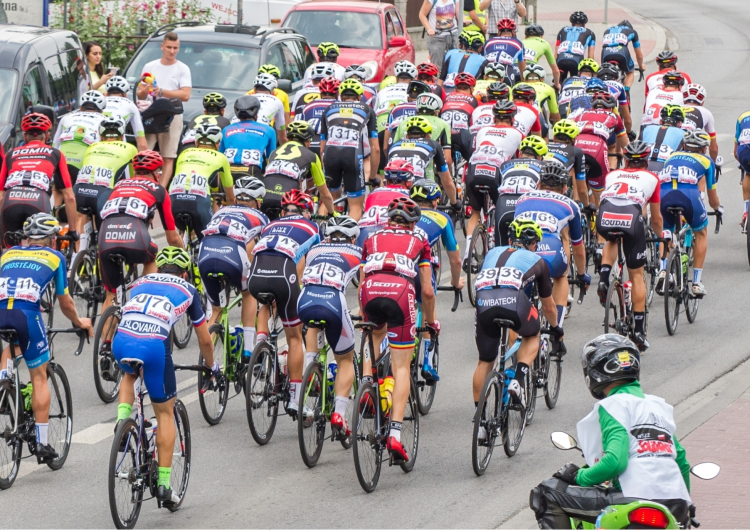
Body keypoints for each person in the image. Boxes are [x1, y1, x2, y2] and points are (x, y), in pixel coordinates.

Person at [531, 334, 693, 528]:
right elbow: (681, 461)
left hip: (633, 498)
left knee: (547, 493)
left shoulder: (613, 405)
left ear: (594, 371)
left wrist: (577, 476)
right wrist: (686, 508)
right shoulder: (657, 406)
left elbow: (615, 462)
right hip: (676, 505)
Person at [112, 246, 215, 507]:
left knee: (129, 375)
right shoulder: (188, 290)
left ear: (159, 269)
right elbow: (204, 339)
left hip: (122, 340)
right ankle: (164, 486)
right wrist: (212, 369)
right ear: (184, 273)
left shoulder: (141, 282)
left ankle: (122, 424)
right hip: (154, 345)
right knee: (165, 413)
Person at [0, 213, 93, 462]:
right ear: (51, 239)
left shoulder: (7, 254)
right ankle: (41, 443)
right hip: (27, 316)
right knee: (39, 376)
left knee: (10, 349)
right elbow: (65, 302)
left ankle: (4, 382)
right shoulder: (55, 257)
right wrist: (79, 322)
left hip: (1, 312)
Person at [358, 197, 436, 462]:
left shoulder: (371, 238)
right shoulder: (420, 241)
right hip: (400, 293)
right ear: (412, 225)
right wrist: (431, 322)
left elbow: (362, 279)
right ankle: (395, 434)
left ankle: (367, 385)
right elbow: (426, 290)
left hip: (370, 291)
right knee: (402, 366)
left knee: (373, 334)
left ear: (388, 220)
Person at [472, 219, 559, 410]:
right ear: (534, 243)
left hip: (483, 300)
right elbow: (549, 307)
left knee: (485, 361)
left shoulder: (491, 252)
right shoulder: (539, 261)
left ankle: (481, 424)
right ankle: (518, 381)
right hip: (512, 300)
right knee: (532, 335)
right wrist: (556, 328)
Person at [248, 189, 321, 416]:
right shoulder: (313, 228)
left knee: (266, 304)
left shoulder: (271, 224)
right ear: (307, 212)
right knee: (294, 338)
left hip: (257, 274)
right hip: (284, 274)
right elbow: (311, 268)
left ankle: (260, 348)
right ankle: (295, 398)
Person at [298, 216, 362, 436]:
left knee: (314, 323)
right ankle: (339, 414)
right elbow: (362, 289)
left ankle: (312, 371)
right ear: (352, 239)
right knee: (345, 359)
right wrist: (363, 315)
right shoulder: (357, 253)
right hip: (334, 301)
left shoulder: (315, 250)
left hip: (305, 299)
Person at [596, 141, 663, 351]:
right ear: (646, 162)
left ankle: (604, 279)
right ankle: (639, 331)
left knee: (611, 239)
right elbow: (656, 218)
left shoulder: (612, 175)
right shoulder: (652, 178)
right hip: (631, 217)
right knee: (636, 275)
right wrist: (662, 239)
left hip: (605, 215)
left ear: (625, 161)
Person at [98, 150, 184, 314]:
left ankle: (105, 340)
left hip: (106, 237)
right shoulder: (159, 189)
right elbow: (172, 237)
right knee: (152, 256)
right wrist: (183, 251)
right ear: (156, 173)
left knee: (111, 295)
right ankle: (140, 298)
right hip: (135, 237)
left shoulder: (118, 185)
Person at [514, 161, 590, 337]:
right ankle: (555, 328)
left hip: (522, 250)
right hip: (550, 248)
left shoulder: (522, 199)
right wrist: (581, 274)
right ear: (564, 188)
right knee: (561, 275)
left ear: (538, 184)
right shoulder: (571, 205)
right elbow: (578, 249)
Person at [198, 177, 268, 356]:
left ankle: (208, 364)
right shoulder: (261, 216)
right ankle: (248, 349)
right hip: (233, 252)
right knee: (248, 292)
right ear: (258, 202)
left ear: (236, 198)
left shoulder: (221, 211)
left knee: (216, 310)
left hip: (205, 251)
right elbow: (266, 247)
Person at [656, 129, 722, 298]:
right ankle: (696, 283)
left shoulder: (672, 156)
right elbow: (712, 196)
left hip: (664, 194)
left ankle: (663, 270)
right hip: (689, 196)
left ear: (684, 145)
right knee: (701, 232)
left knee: (666, 233)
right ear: (704, 148)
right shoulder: (707, 161)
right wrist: (717, 209)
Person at [0, 113, 78, 248]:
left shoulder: (10, 154)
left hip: (10, 202)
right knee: (44, 253)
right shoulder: (55, 153)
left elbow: (1, 196)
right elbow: (69, 196)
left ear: (25, 136)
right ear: (47, 136)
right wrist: (72, 231)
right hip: (38, 201)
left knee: (9, 253)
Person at [463, 100, 524, 268]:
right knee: (500, 208)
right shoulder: (518, 134)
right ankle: (494, 243)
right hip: (495, 171)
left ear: (494, 118)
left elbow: (473, 153)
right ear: (512, 119)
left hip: (474, 170)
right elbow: (518, 162)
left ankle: (468, 253)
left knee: (475, 213)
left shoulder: (482, 131)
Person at [72, 117, 137, 262]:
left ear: (101, 136)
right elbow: (132, 178)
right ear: (122, 136)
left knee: (81, 216)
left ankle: (77, 259)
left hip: (79, 189)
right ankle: (103, 262)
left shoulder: (92, 146)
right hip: (102, 192)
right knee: (104, 230)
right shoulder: (131, 148)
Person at [137, 32, 192, 188]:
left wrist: (161, 92)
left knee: (168, 156)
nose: (172, 51)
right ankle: (143, 186)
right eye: (169, 47)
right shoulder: (150, 66)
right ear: (162, 47)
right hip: (150, 113)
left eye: (175, 48)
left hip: (171, 115)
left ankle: (161, 191)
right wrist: (145, 90)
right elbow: (141, 95)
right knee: (144, 154)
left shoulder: (182, 68)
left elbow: (185, 95)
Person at [320, 79, 379, 221]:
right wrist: (372, 177)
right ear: (359, 97)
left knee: (329, 198)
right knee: (356, 206)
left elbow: (322, 149)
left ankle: (321, 233)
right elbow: (375, 148)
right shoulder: (367, 109)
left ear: (340, 96)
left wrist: (324, 172)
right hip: (352, 156)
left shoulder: (329, 110)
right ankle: (348, 239)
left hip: (330, 155)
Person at [170, 123, 235, 238]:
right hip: (198, 201)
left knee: (182, 233)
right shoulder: (221, 158)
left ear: (196, 142)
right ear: (217, 144)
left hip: (174, 200)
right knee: (209, 237)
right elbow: (230, 197)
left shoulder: (184, 153)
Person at [263, 121, 335, 217]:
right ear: (307, 141)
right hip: (287, 202)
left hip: (265, 197)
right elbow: (324, 193)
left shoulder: (274, 152)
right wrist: (331, 213)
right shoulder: (312, 156)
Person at [387, 116, 457, 208]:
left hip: (391, 190)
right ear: (428, 136)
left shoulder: (395, 145)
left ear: (406, 136)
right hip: (417, 193)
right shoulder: (433, 144)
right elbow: (447, 181)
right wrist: (454, 203)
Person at [573, 92, 628, 205]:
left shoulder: (580, 115)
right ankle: (598, 217)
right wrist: (627, 159)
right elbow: (625, 144)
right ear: (612, 108)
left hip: (577, 147)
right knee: (600, 196)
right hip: (597, 150)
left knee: (577, 185)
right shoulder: (614, 116)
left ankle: (577, 203)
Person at [494, 136, 547, 246]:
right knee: (532, 245)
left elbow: (498, 187)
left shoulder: (505, 165)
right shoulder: (544, 166)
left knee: (499, 249)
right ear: (540, 157)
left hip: (504, 203)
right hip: (526, 203)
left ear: (520, 153)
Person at [357, 159, 414, 246]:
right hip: (391, 229)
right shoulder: (409, 195)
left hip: (364, 230)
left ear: (387, 181)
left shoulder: (374, 193)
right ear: (409, 183)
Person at [392, 93, 453, 175]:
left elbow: (392, 148)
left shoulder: (403, 122)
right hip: (426, 176)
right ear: (436, 112)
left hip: (400, 172)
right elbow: (447, 159)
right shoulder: (443, 124)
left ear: (417, 110)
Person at [54, 90, 107, 182]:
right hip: (87, 164)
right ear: (101, 110)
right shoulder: (105, 120)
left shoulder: (66, 117)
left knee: (58, 192)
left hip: (62, 162)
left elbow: (55, 144)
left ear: (81, 107)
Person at [220, 96, 277, 180]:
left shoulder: (226, 129)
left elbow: (220, 156)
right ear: (256, 114)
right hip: (252, 170)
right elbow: (270, 159)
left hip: (228, 170)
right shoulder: (269, 130)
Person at [374, 61, 416, 171]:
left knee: (383, 169)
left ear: (396, 78)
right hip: (402, 128)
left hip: (381, 126)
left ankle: (381, 186)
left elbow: (375, 110)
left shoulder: (382, 91)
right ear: (413, 79)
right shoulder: (412, 92)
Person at [294, 76, 340, 160]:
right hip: (330, 145)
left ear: (320, 93)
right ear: (337, 94)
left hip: (308, 144)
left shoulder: (308, 105)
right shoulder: (340, 106)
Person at [440, 72, 479, 162]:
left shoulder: (446, 97)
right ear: (472, 89)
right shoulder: (475, 100)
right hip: (462, 136)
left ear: (455, 89)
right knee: (472, 162)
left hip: (444, 134)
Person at [546, 119, 587, 203]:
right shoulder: (577, 151)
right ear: (575, 139)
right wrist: (587, 206)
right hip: (556, 187)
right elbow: (582, 190)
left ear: (554, 138)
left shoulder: (545, 146)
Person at [383, 80, 430, 151]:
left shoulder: (395, 109)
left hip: (395, 149)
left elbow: (385, 147)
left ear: (408, 98)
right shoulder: (426, 110)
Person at [103, 76, 147, 151]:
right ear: (125, 95)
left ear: (106, 94)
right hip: (118, 146)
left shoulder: (100, 102)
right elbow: (141, 142)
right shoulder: (130, 104)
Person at [640, 104, 687, 173]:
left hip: (645, 162)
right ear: (679, 123)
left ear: (661, 121)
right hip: (667, 164)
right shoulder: (683, 133)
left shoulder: (647, 128)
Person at [419, 0, 461, 76]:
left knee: (454, 65)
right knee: (437, 68)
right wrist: (429, 29)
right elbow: (422, 15)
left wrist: (464, 20)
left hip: (452, 37)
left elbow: (459, 15)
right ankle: (437, 86)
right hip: (436, 37)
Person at [601, 20, 645, 90]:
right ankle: (626, 92)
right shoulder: (632, 31)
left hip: (606, 52)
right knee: (630, 72)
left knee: (604, 72)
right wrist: (641, 66)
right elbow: (639, 55)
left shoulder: (607, 30)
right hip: (621, 51)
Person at [555, 12, 596, 83]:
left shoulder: (563, 30)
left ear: (571, 24)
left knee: (559, 82)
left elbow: (555, 54)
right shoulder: (590, 33)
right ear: (584, 24)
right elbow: (590, 57)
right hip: (576, 60)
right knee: (576, 84)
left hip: (561, 59)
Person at [681, 84, 718, 161]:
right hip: (691, 150)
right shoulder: (706, 112)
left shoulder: (675, 107)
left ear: (684, 100)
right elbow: (713, 148)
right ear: (702, 102)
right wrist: (713, 164)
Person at [483, 19, 525, 85]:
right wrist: (523, 81)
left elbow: (483, 60)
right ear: (513, 32)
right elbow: (522, 65)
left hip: (489, 70)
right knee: (509, 93)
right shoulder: (518, 43)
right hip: (507, 72)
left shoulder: (488, 42)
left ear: (499, 32)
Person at [523, 64, 561, 134]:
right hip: (537, 116)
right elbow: (555, 114)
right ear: (542, 78)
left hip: (519, 119)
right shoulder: (548, 88)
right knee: (543, 138)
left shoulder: (516, 86)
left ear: (525, 79)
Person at [250, 73, 287, 144]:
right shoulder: (277, 101)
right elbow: (282, 137)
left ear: (254, 90)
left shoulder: (245, 98)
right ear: (273, 91)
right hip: (260, 133)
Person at [522, 24, 561, 89]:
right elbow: (555, 70)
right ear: (541, 36)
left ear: (525, 36)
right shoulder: (544, 43)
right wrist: (556, 84)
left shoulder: (521, 42)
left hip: (513, 69)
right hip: (529, 70)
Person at [734, 110, 750, 228]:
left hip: (744, 151)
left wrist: (742, 163)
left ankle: (746, 212)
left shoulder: (742, 116)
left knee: (748, 174)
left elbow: (735, 151)